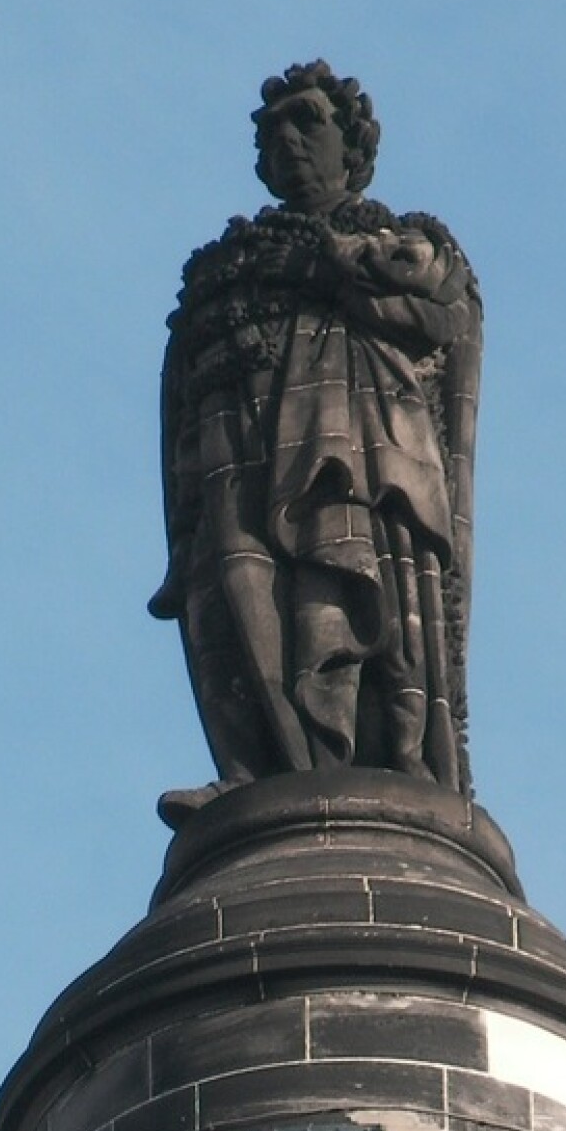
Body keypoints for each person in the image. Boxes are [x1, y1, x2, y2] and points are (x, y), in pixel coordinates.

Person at [149, 62, 481, 825]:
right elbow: (178, 395)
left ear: (353, 145)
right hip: (235, 455)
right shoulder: (220, 270)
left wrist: (322, 260)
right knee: (231, 596)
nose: (289, 142)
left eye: (308, 122)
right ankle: (258, 770)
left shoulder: (404, 239)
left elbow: (434, 314)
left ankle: (372, 770)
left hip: (358, 454)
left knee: (347, 600)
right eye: (272, 134)